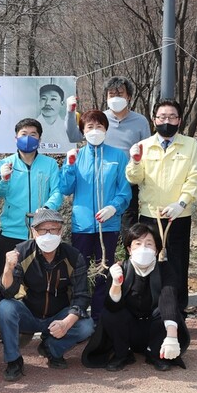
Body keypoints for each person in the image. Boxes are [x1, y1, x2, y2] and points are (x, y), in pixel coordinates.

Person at [0, 208, 93, 382]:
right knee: (5, 307)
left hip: (58, 315)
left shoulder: (73, 256)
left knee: (87, 325)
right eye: (43, 230)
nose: (48, 234)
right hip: (29, 313)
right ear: (34, 232)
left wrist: (66, 323)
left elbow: (81, 296)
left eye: (53, 229)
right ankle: (13, 360)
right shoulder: (22, 252)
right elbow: (8, 292)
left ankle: (51, 348)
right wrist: (7, 269)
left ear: (61, 231)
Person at [125, 99, 197, 312]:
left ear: (179, 120)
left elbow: (195, 178)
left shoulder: (190, 145)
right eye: (162, 117)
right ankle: (149, 308)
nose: (166, 121)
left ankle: (177, 311)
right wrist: (135, 161)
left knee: (177, 264)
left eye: (171, 117)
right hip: (150, 215)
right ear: (154, 119)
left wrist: (181, 202)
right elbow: (134, 178)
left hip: (178, 215)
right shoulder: (144, 146)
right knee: (147, 262)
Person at [59, 110, 131, 322]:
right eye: (90, 127)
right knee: (79, 272)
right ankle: (78, 314)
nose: (95, 131)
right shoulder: (76, 156)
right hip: (82, 225)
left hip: (108, 226)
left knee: (104, 271)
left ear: (106, 129)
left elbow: (125, 191)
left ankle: (101, 316)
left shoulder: (118, 156)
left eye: (99, 126)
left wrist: (113, 207)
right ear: (82, 131)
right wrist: (70, 166)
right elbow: (65, 188)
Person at [65, 77, 151, 233]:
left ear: (129, 96)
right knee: (99, 228)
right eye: (112, 94)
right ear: (106, 97)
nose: (116, 97)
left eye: (120, 93)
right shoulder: (100, 120)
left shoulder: (140, 121)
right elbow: (74, 136)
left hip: (128, 184)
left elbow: (147, 152)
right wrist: (70, 113)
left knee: (129, 228)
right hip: (99, 184)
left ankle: (128, 256)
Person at [102, 223, 190, 372]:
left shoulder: (165, 269)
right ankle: (122, 354)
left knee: (164, 309)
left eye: (149, 244)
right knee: (111, 313)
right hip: (129, 329)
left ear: (156, 250)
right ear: (129, 249)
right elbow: (112, 307)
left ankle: (155, 353)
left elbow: (168, 299)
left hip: (155, 329)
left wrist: (172, 337)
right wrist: (116, 284)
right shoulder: (120, 268)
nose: (143, 248)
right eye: (138, 243)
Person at [0, 118, 63, 277]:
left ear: (39, 139)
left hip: (42, 232)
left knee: (38, 280)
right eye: (24, 134)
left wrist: (46, 210)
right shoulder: (6, 163)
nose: (28, 138)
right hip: (12, 231)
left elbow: (57, 191)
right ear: (16, 138)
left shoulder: (49, 164)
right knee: (7, 278)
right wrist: (4, 179)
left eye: (33, 134)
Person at [35, 83, 72, 150]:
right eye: (43, 98)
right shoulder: (32, 126)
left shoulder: (67, 128)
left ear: (62, 103)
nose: (47, 103)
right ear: (39, 101)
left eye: (53, 99)